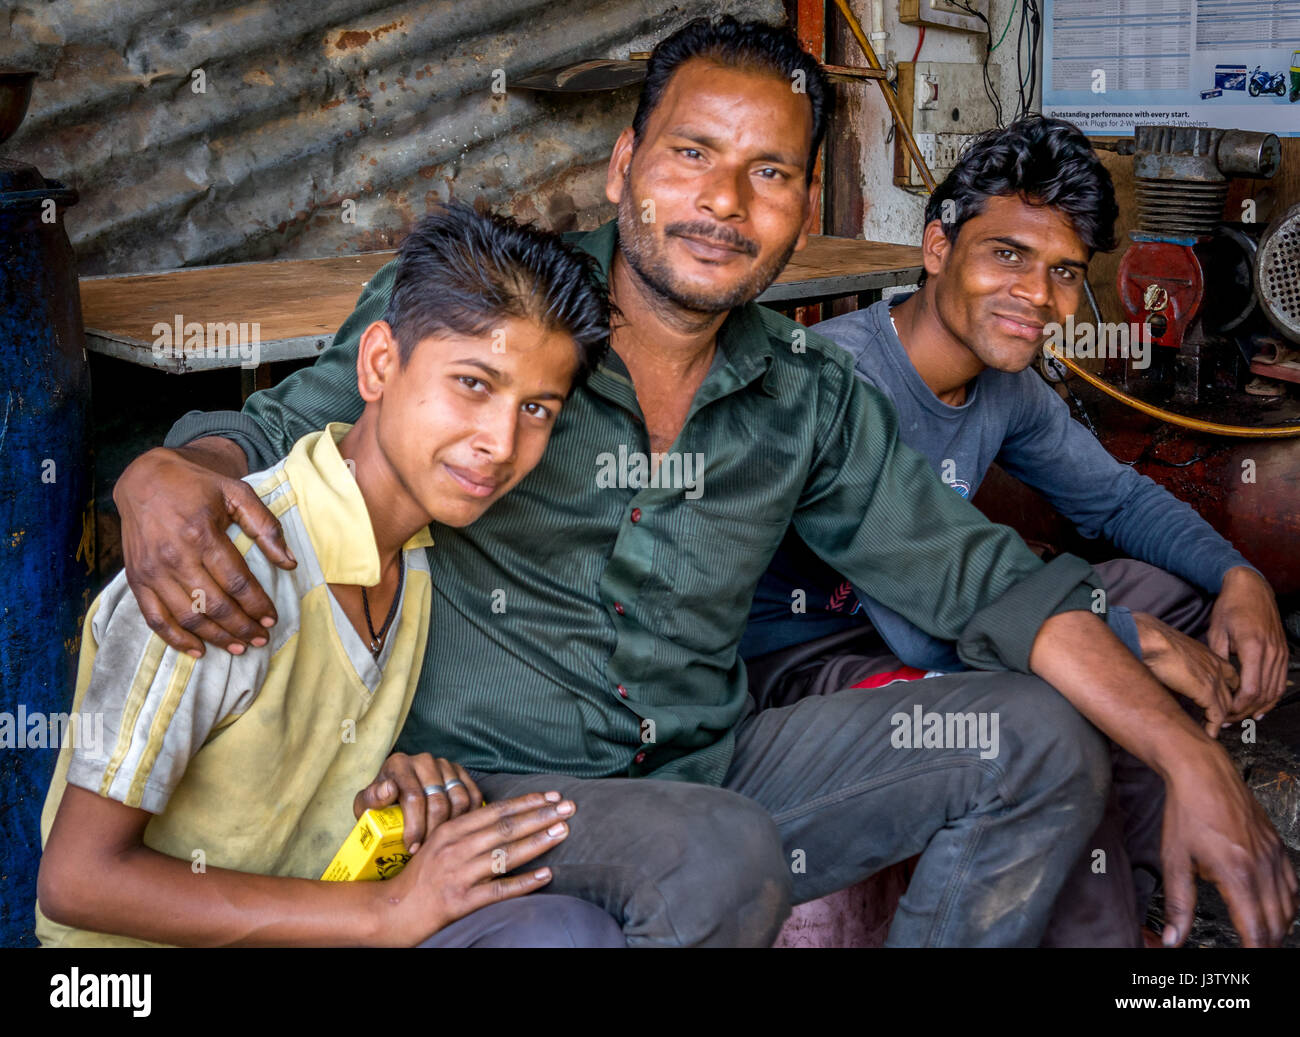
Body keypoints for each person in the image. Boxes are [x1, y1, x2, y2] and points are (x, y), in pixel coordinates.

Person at [110, 18, 1295, 947]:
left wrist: (1191, 755)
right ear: (625, 164)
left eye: (770, 172)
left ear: (800, 205)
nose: (724, 204)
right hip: (480, 787)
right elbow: (270, 435)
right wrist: (170, 470)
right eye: (692, 154)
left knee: (1036, 736)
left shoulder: (803, 396)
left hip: (702, 770)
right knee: (709, 854)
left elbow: (986, 580)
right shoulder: (495, 314)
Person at [741, 115, 1293, 945]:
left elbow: (1116, 501)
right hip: (815, 662)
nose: (1038, 294)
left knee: (1170, 591)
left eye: (1065, 272)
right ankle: (1096, 932)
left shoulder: (1007, 387)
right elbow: (927, 624)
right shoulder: (838, 380)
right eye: (1008, 254)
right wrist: (1121, 638)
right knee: (1060, 694)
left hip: (949, 620)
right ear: (937, 248)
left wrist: (1239, 576)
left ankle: (1147, 891)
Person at [35, 204, 623, 948]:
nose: (500, 443)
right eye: (473, 383)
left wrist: (390, 793)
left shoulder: (412, 557)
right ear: (379, 363)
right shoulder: (222, 565)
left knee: (567, 927)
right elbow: (78, 879)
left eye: (537, 409)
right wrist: (387, 911)